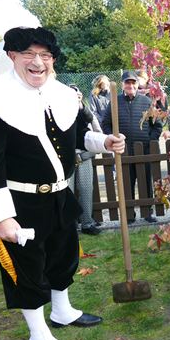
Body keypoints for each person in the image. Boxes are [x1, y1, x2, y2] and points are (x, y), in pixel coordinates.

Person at [0, 26, 125, 340]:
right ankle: (39, 336)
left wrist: (103, 142)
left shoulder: (62, 94)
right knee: (26, 269)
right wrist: (1, 217)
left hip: (60, 196)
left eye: (45, 56)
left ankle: (62, 311)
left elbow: (78, 138)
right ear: (12, 57)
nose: (38, 62)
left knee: (63, 257)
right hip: (18, 204)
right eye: (29, 55)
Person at [102, 71, 157, 223]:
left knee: (145, 181)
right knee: (127, 182)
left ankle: (147, 213)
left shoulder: (146, 101)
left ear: (138, 84)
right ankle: (129, 215)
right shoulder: (114, 101)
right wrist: (114, 139)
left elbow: (156, 125)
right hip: (123, 150)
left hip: (143, 149)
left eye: (133, 83)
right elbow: (106, 123)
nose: (130, 85)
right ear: (122, 85)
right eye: (127, 83)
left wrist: (150, 139)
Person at [69, 84, 102, 235]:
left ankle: (87, 223)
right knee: (66, 193)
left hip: (84, 156)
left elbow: (95, 128)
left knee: (86, 190)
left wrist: (80, 105)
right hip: (66, 159)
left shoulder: (85, 111)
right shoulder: (59, 112)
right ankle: (69, 226)